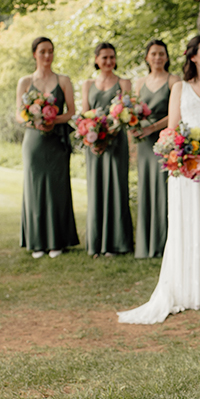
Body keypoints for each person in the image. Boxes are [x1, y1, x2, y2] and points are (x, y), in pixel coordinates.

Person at [118, 35, 200, 323]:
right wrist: (185, 154)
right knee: (187, 223)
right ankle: (187, 290)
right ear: (193, 56)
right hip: (184, 166)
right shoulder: (179, 88)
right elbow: (173, 128)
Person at [16, 36, 78, 259]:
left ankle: (58, 241)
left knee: (57, 189)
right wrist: (33, 121)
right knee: (35, 189)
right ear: (35, 54)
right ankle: (37, 242)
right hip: (34, 142)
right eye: (42, 51)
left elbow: (71, 112)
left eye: (50, 51)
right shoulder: (24, 81)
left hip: (57, 141)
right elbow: (18, 113)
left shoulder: (63, 80)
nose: (47, 56)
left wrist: (54, 120)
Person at [80, 42, 133, 256]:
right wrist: (92, 137)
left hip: (116, 141)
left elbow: (126, 114)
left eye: (112, 57)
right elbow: (85, 114)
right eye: (104, 58)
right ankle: (96, 243)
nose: (109, 61)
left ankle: (117, 243)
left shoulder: (124, 82)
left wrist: (109, 132)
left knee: (116, 188)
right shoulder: (87, 84)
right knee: (96, 190)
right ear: (96, 60)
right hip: (93, 143)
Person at [130, 39, 176, 258]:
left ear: (167, 57)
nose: (158, 57)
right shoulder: (139, 83)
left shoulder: (174, 81)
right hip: (144, 144)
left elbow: (177, 112)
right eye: (153, 54)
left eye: (161, 54)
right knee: (147, 186)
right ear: (147, 58)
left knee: (164, 187)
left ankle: (166, 242)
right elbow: (134, 111)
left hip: (165, 140)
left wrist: (154, 128)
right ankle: (146, 243)